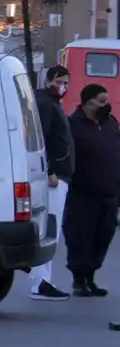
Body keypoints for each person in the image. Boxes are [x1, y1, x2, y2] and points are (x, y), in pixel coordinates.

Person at [64, 83, 120, 297]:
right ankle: (79, 279)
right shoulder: (73, 125)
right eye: (102, 101)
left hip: (109, 194)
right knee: (81, 236)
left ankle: (91, 277)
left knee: (103, 236)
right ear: (88, 103)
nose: (106, 105)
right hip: (83, 194)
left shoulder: (110, 123)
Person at [30, 65, 74, 300]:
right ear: (48, 80)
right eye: (59, 81)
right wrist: (50, 171)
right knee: (49, 230)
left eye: (66, 82)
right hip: (53, 178)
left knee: (50, 230)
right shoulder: (46, 104)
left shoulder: (50, 103)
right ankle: (40, 282)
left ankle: (42, 280)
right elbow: (41, 138)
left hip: (57, 176)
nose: (62, 86)